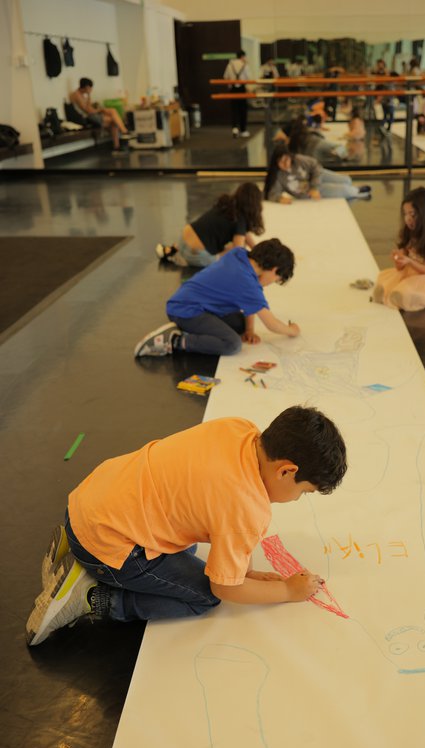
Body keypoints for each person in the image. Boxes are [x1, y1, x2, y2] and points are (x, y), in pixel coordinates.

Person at [25, 406, 347, 647]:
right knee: (203, 597)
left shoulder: (240, 430)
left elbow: (224, 518)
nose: (297, 499)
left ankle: (77, 549)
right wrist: (287, 591)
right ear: (286, 471)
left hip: (89, 502)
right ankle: (92, 595)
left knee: (190, 546)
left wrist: (245, 572)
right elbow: (225, 588)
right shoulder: (247, 508)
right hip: (107, 542)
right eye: (304, 492)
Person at [134, 238, 299, 358]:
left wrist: (249, 330)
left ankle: (188, 329)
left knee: (240, 323)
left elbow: (251, 303)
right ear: (274, 270)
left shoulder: (239, 254)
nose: (271, 283)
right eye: (276, 280)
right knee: (232, 344)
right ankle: (175, 340)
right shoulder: (246, 283)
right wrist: (292, 331)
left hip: (188, 301)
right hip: (186, 311)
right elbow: (271, 324)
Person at [371, 187, 425, 311]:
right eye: (405, 214)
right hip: (411, 271)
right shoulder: (410, 230)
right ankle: (393, 295)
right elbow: (401, 266)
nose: (408, 219)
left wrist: (409, 261)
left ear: (424, 213)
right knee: (384, 281)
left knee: (405, 291)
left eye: (412, 214)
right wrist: (399, 258)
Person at [154, 182, 264, 268]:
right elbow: (238, 251)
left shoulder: (226, 204)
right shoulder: (240, 220)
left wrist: (256, 250)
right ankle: (193, 260)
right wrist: (255, 263)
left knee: (214, 236)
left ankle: (172, 250)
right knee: (235, 248)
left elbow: (244, 233)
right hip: (195, 255)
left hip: (182, 240)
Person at [264, 145, 371, 203]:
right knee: (344, 190)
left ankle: (355, 189)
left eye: (287, 159)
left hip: (317, 176)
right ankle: (357, 192)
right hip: (309, 192)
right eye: (281, 162)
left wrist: (314, 186)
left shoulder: (298, 159)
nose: (286, 164)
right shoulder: (278, 175)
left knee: (346, 180)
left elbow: (315, 165)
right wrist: (279, 199)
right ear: (276, 162)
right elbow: (272, 193)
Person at [69, 77, 131, 150]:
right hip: (86, 118)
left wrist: (89, 96)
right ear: (87, 87)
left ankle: (117, 144)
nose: (91, 90)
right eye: (90, 88)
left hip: (91, 115)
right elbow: (87, 111)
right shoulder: (76, 95)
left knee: (113, 116)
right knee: (113, 119)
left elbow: (89, 107)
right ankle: (124, 132)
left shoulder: (83, 95)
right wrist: (100, 110)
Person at [224, 50, 251, 138]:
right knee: (243, 109)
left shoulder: (230, 64)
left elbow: (226, 77)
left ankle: (235, 128)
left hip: (233, 89)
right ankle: (243, 130)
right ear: (242, 56)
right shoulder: (245, 65)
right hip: (242, 89)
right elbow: (248, 78)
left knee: (234, 109)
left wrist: (230, 85)